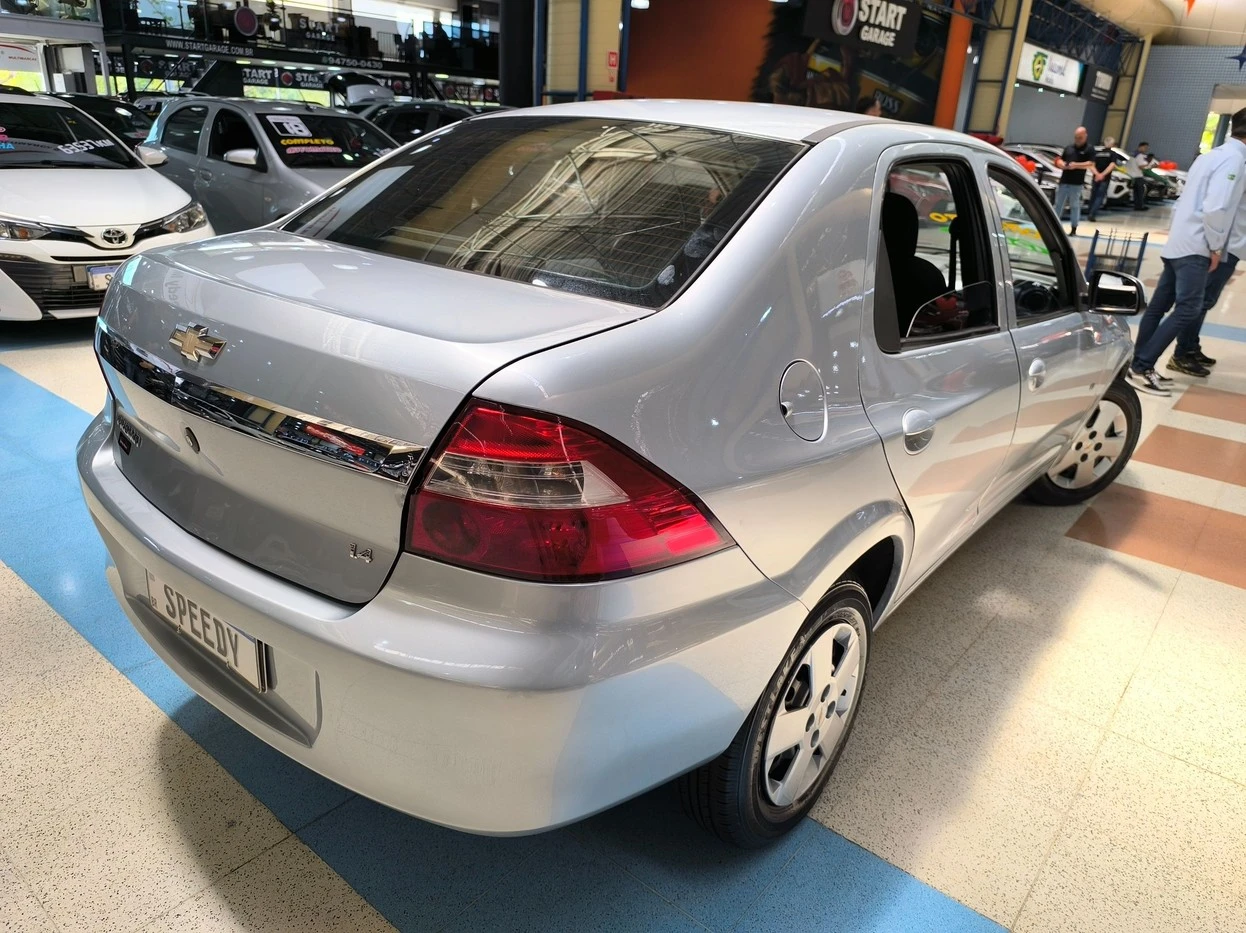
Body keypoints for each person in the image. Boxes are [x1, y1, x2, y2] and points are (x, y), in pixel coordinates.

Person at [1127, 108, 1246, 395]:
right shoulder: (1235, 160)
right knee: (1189, 307)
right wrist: (1216, 246)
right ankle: (1142, 365)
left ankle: (1136, 363)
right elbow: (1217, 207)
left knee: (1159, 307)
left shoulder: (1211, 156)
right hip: (1198, 245)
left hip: (1180, 240)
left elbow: (1185, 199)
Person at [1054, 126, 1096, 236]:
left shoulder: (1089, 149)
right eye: (1076, 137)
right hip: (1064, 180)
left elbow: (1091, 163)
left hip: (1076, 183)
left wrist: (1076, 165)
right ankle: (1054, 226)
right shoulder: (1069, 148)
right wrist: (1061, 164)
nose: (1078, 140)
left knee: (1074, 205)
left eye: (1080, 138)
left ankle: (1074, 228)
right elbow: (1061, 159)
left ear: (1085, 136)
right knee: (1058, 204)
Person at [1087, 136, 1118, 222]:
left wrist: (1097, 174)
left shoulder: (1097, 153)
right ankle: (1092, 214)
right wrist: (1102, 175)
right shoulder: (1113, 154)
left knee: (1093, 196)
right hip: (1105, 178)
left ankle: (1089, 211)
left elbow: (1091, 165)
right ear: (1112, 144)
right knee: (1099, 197)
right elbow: (1112, 165)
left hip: (1095, 178)